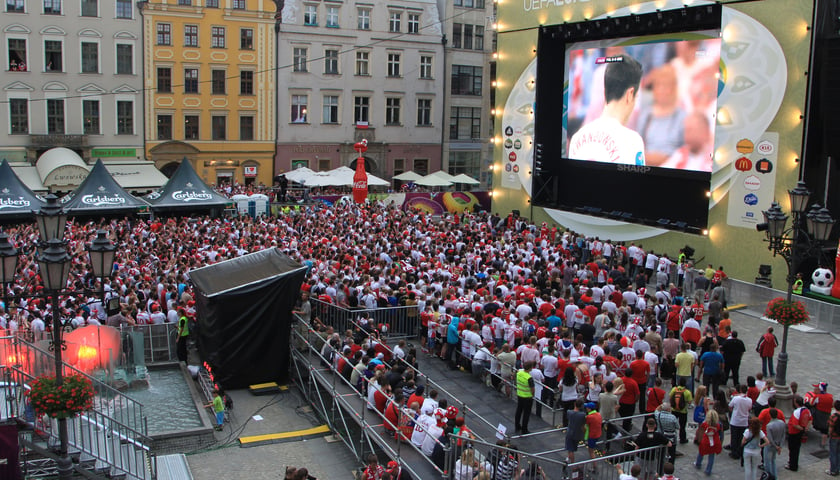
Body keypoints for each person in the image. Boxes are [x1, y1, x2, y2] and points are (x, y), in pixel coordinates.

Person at [569, 54, 646, 166]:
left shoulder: (576, 138)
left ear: (605, 91)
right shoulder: (632, 141)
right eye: (636, 96)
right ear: (630, 95)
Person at [787, 395, 812, 471]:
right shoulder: (807, 410)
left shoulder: (797, 412)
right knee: (797, 449)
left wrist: (802, 429)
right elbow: (810, 419)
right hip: (799, 433)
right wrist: (806, 427)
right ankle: (794, 463)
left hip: (794, 433)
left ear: (796, 403)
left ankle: (792, 465)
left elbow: (795, 424)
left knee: (792, 449)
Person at [694, 409, 722, 475]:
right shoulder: (718, 425)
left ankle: (698, 463)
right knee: (711, 456)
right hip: (714, 442)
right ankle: (708, 470)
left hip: (705, 441)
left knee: (701, 452)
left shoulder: (704, 424)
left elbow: (700, 431)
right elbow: (720, 433)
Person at [728, 384, 752, 461]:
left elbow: (730, 406)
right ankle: (740, 451)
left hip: (735, 420)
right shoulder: (749, 400)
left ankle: (734, 452)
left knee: (734, 437)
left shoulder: (736, 398)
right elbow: (749, 408)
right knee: (741, 437)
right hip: (744, 421)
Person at [669, 378, 693, 445]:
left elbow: (670, 397)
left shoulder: (674, 389)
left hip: (674, 410)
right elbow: (690, 402)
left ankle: (671, 437)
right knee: (682, 426)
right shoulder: (687, 392)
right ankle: (682, 439)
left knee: (672, 424)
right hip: (683, 411)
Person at [764, 407, 786, 480]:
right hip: (778, 443)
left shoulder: (769, 425)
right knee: (773, 460)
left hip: (771, 445)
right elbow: (783, 435)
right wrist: (780, 446)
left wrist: (775, 446)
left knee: (768, 462)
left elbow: (770, 438)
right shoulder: (782, 423)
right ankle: (775, 477)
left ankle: (769, 477)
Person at [515, 361, 536, 434]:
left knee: (519, 411)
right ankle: (524, 429)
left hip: (519, 394)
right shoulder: (529, 377)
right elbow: (532, 389)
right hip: (527, 397)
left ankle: (517, 425)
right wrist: (533, 395)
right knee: (526, 413)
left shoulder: (519, 373)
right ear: (530, 368)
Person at [566, 399, 587, 464]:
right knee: (572, 448)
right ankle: (567, 459)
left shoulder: (569, 412)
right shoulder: (583, 415)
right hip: (577, 434)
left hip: (570, 433)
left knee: (570, 449)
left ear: (575, 404)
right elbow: (583, 426)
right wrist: (585, 433)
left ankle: (572, 462)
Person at [827, 400, 840, 477]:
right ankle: (838, 468)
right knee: (839, 453)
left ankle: (833, 470)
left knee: (833, 453)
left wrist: (830, 434)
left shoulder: (833, 416)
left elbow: (831, 428)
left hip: (834, 436)